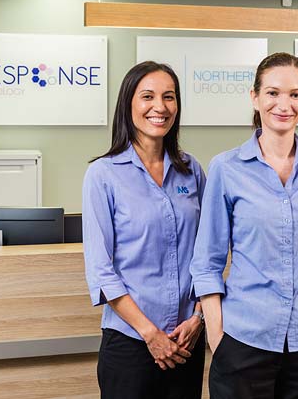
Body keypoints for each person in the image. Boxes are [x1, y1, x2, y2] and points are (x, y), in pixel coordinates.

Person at [190, 52, 298, 399]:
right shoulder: (226, 168)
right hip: (244, 339)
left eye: (295, 95)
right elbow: (207, 261)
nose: (284, 104)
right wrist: (218, 337)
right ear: (255, 97)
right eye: (273, 93)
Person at [83, 61, 206, 399]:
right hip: (131, 344)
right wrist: (151, 335)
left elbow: (207, 253)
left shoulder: (191, 170)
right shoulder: (103, 174)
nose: (160, 107)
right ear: (129, 104)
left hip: (186, 340)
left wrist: (198, 318)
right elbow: (101, 270)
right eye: (148, 96)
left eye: (169, 97)